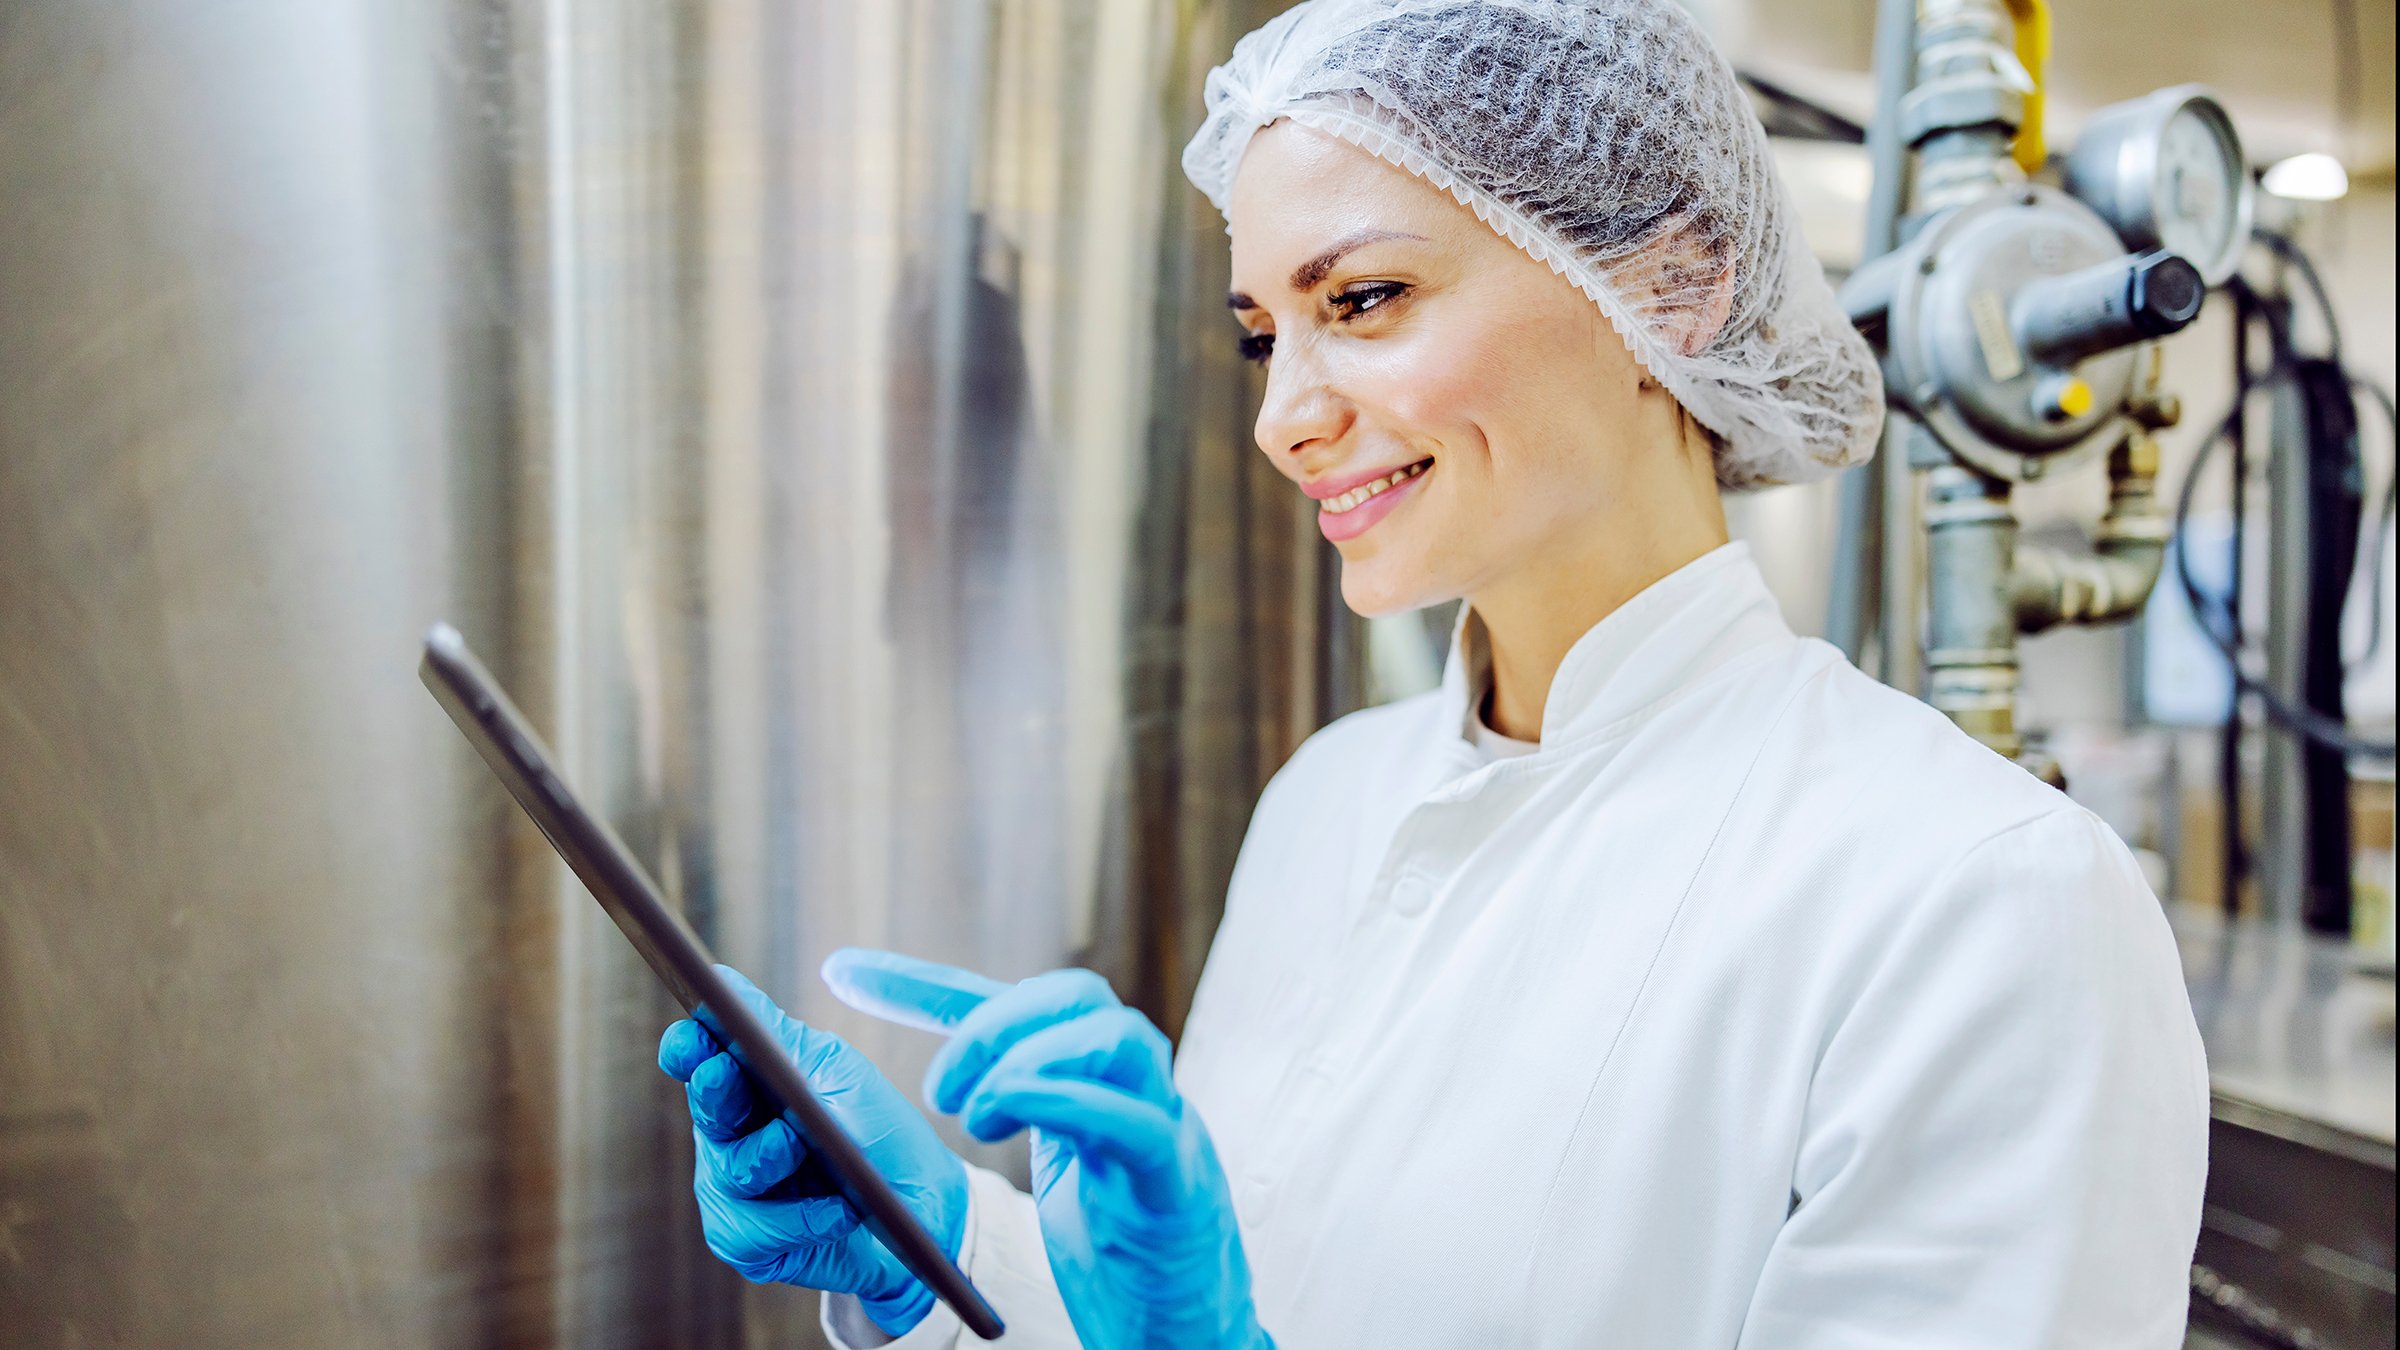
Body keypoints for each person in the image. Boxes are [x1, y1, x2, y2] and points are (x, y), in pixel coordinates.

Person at [658, 1, 2209, 1345]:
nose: (1283, 416)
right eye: (1267, 332)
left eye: (1366, 301)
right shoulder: (1331, 796)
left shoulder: (1981, 903)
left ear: (1676, 283)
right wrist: (943, 1260)